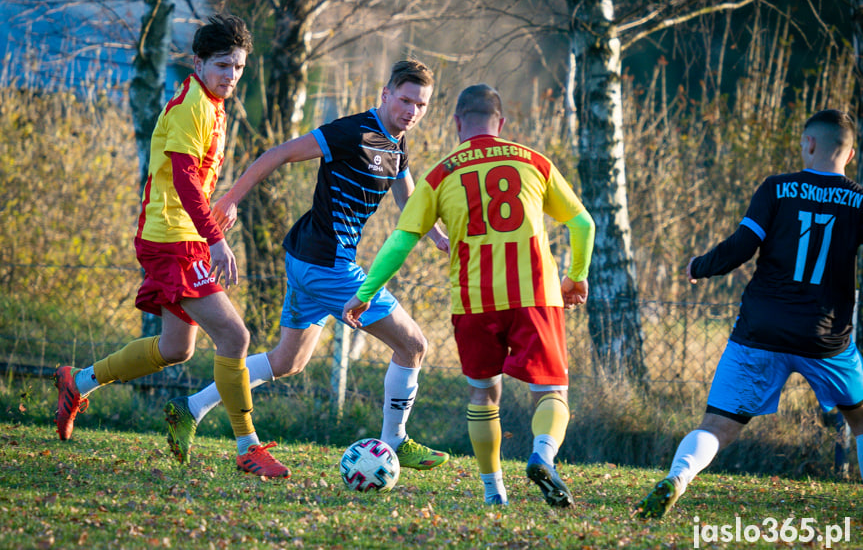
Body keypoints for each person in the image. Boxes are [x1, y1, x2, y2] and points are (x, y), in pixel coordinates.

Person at [162, 59, 451, 472]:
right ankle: (395, 441)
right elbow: (278, 154)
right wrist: (230, 200)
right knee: (413, 345)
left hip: (307, 260)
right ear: (386, 94)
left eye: (420, 105)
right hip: (326, 266)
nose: (411, 111)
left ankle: (189, 408)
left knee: (286, 362)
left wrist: (437, 235)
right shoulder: (353, 131)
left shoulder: (397, 144)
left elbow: (409, 200)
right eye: (405, 100)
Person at [52, 15, 291, 477]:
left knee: (176, 349)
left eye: (239, 67)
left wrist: (218, 208)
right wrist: (216, 238)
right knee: (235, 336)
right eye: (223, 65)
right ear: (198, 62)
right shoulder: (191, 107)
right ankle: (248, 447)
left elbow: (190, 180)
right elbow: (181, 178)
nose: (231, 76)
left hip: (181, 236)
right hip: (172, 240)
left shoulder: (211, 103)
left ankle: (76, 382)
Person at [342, 84, 596, 507]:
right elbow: (583, 224)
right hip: (535, 295)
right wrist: (576, 277)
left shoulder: (442, 174)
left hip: (474, 301)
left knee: (483, 394)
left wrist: (365, 293)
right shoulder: (534, 161)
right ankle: (542, 455)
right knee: (551, 392)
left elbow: (402, 240)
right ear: (502, 124)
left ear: (457, 123)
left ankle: (493, 492)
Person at [637, 109, 863, 519]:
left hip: (760, 332)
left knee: (717, 427)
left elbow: (743, 246)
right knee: (861, 418)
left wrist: (700, 266)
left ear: (810, 144)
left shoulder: (777, 189)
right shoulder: (860, 200)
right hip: (825, 338)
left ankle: (677, 478)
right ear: (849, 155)